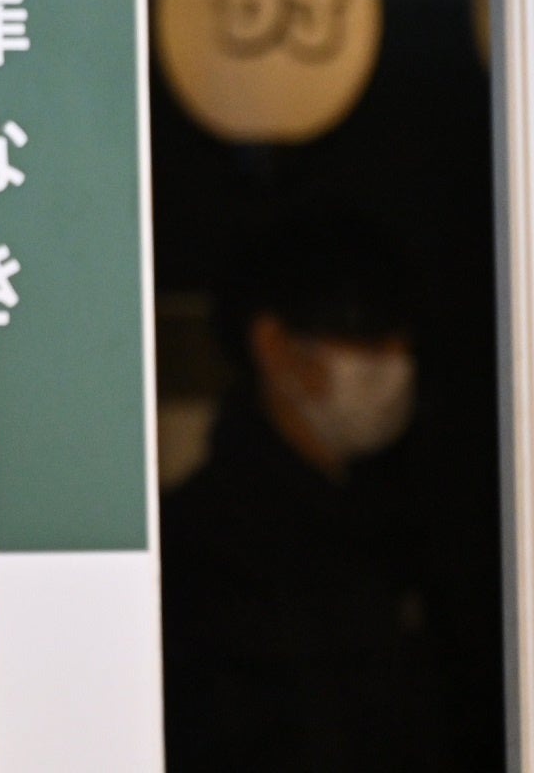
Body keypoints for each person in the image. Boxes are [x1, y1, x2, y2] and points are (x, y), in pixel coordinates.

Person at [162, 206, 440, 773]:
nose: (395, 364)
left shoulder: (395, 520)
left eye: (403, 342)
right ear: (274, 345)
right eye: (367, 338)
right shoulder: (207, 546)